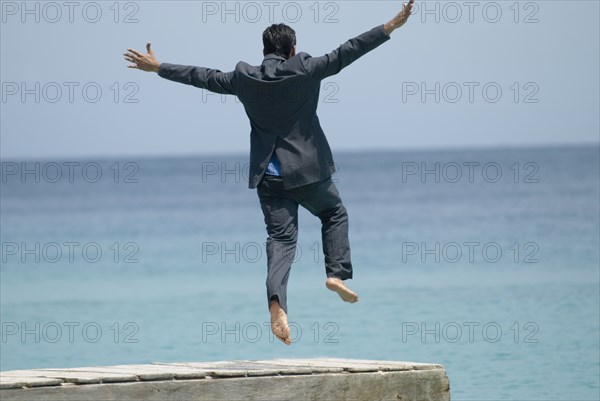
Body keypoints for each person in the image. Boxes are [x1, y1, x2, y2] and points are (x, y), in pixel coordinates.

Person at [124, 0, 414, 346]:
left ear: (264, 51)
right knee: (333, 213)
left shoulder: (245, 77)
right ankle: (336, 274)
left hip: (269, 178)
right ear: (291, 50)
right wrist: (390, 27)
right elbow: (347, 51)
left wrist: (159, 67)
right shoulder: (305, 68)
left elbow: (202, 76)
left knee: (281, 241)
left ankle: (277, 303)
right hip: (309, 173)